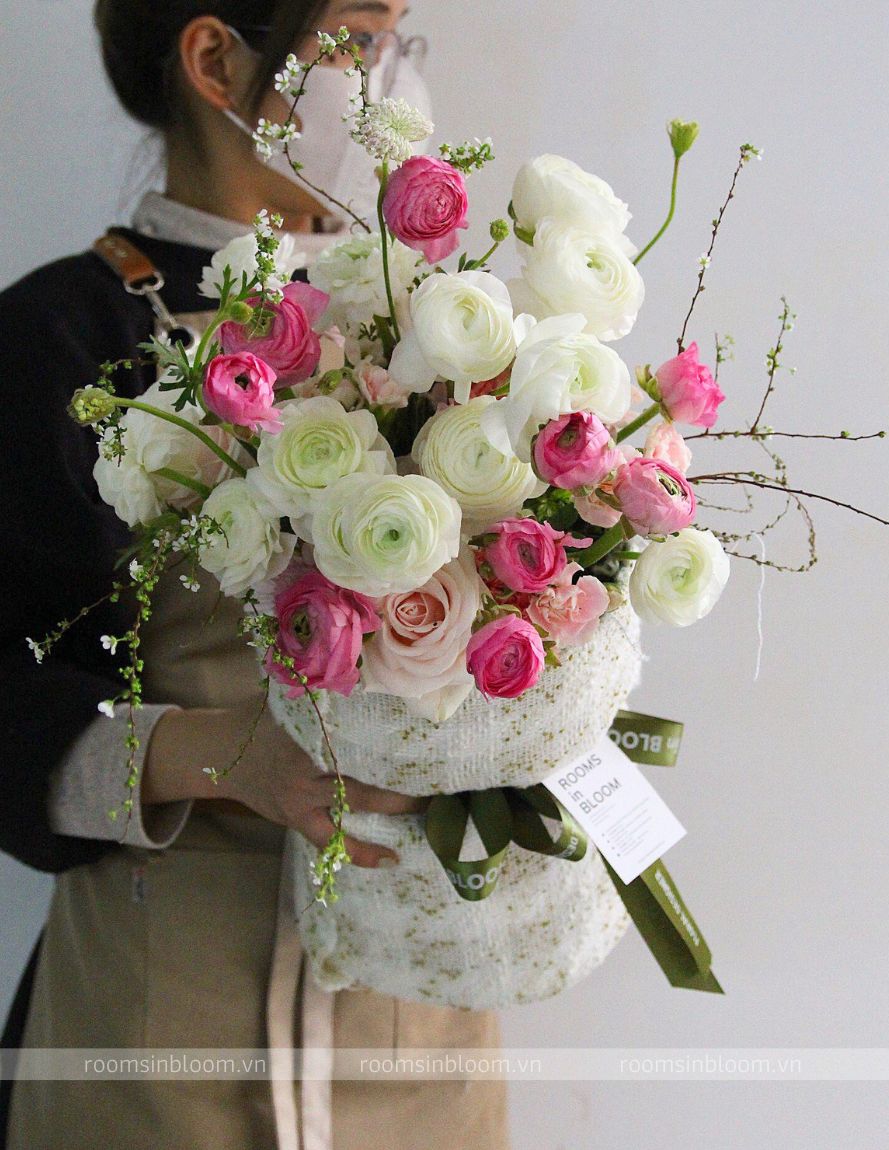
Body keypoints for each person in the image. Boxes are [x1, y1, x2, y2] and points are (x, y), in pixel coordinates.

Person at [0, 3, 510, 1147]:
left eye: (401, 37)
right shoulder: (57, 339)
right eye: (362, 37)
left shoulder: (443, 327)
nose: (395, 77)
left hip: (416, 1018)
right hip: (159, 1031)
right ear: (216, 59)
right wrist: (233, 758)